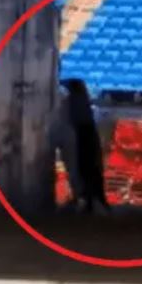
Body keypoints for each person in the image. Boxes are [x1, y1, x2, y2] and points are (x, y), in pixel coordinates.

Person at [50, 78, 110, 215]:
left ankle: (87, 200)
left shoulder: (72, 102)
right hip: (86, 134)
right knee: (89, 169)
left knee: (84, 169)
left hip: (82, 135)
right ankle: (91, 200)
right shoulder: (82, 103)